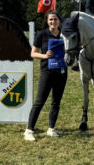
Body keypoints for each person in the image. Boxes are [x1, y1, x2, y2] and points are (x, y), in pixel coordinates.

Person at [24, 10, 68, 141]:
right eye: (50, 20)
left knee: (56, 102)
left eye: (55, 19)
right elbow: (33, 53)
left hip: (61, 72)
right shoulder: (42, 34)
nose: (53, 22)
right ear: (47, 21)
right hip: (46, 72)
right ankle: (29, 130)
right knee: (39, 102)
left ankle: (51, 128)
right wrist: (45, 56)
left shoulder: (64, 35)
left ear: (59, 21)